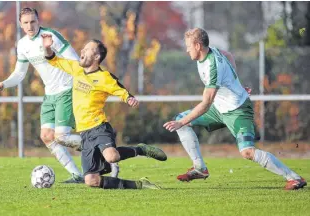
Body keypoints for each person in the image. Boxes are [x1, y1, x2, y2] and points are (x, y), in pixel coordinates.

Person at [163, 28, 307, 190]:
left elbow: (205, 104)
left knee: (247, 152)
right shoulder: (211, 51)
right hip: (219, 108)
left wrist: (181, 122)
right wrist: (234, 82)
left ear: (197, 46)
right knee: (180, 120)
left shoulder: (212, 66)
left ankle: (294, 178)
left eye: (188, 46)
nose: (186, 49)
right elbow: (229, 55)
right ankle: (200, 168)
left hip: (238, 110)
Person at [0, 7, 118, 182]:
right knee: (47, 136)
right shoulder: (22, 45)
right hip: (49, 94)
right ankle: (77, 174)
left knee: (62, 137)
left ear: (38, 21)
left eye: (33, 21)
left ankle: (104, 151)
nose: (30, 26)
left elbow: (75, 61)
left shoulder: (51, 37)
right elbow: (20, 73)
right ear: (21, 25)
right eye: (26, 23)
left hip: (66, 89)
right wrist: (3, 84)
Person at [42, 33, 167, 189]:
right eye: (84, 48)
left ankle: (140, 149)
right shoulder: (76, 69)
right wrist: (47, 48)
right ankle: (139, 185)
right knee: (91, 181)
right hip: (85, 134)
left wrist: (129, 98)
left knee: (112, 156)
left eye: (87, 49)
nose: (82, 50)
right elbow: (53, 59)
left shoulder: (103, 77)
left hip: (99, 127)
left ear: (96, 57)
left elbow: (118, 88)